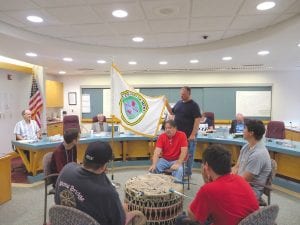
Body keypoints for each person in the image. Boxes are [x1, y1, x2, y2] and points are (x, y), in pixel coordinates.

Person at [176, 144, 259, 225]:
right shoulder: (240, 179)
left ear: (206, 166)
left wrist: (206, 180)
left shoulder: (208, 190)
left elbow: (193, 216)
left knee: (181, 219)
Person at [55, 141, 126, 225]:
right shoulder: (108, 193)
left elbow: (57, 200)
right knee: (127, 208)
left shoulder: (66, 169)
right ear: (104, 165)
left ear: (84, 158)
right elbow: (118, 222)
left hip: (63, 220)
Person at [165, 86, 201, 177]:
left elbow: (197, 120)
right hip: (178, 136)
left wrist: (193, 134)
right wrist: (166, 103)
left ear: (189, 93)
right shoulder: (179, 103)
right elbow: (172, 112)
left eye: (184, 94)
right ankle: (180, 171)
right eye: (181, 94)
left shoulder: (194, 105)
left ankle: (187, 173)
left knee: (188, 155)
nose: (181, 96)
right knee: (179, 154)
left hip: (189, 136)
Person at [232, 119, 271, 199]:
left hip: (250, 190)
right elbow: (237, 166)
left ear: (251, 133)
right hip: (240, 183)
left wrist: (227, 181)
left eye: (245, 128)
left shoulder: (258, 155)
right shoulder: (246, 147)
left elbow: (244, 180)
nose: (243, 131)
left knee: (218, 191)